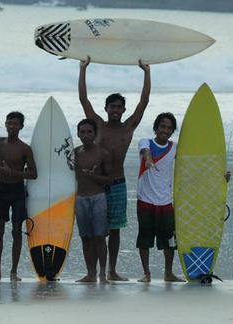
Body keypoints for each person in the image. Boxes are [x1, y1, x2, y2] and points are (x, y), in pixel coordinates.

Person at [79, 56, 151, 281]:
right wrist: (83, 69)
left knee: (115, 229)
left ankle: (111, 270)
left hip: (118, 183)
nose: (116, 110)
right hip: (96, 184)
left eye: (119, 107)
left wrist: (146, 72)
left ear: (123, 110)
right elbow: (83, 99)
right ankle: (92, 272)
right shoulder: (98, 126)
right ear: (106, 108)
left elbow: (144, 102)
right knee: (94, 231)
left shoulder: (129, 126)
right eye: (112, 107)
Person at [0, 111, 37, 281]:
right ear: (5, 124)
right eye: (9, 123)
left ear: (21, 126)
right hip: (2, 189)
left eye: (15, 124)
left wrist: (12, 172)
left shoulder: (25, 148)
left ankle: (14, 271)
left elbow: (34, 174)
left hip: (18, 191)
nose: (12, 127)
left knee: (16, 230)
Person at [136, 113, 184, 283]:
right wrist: (148, 160)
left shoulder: (175, 148)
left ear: (172, 131)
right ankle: (146, 274)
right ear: (156, 128)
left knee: (169, 241)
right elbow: (146, 151)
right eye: (162, 126)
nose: (165, 130)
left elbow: (193, 160)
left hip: (165, 201)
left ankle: (168, 273)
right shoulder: (145, 141)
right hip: (145, 200)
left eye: (169, 128)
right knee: (144, 239)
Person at [74, 119, 112, 283]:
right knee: (85, 237)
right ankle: (90, 273)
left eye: (89, 132)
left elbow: (110, 179)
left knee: (99, 237)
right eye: (82, 132)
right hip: (80, 198)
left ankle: (102, 273)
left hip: (98, 198)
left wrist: (94, 177)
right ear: (78, 134)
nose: (86, 135)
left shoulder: (103, 154)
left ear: (95, 134)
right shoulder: (74, 153)